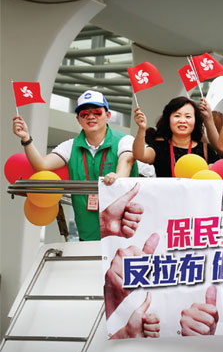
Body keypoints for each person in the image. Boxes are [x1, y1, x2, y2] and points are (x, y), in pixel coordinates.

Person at [12, 89, 138, 241]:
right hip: (86, 233)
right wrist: (26, 138)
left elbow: (127, 160)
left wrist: (118, 176)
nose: (90, 117)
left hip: (123, 233)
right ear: (78, 119)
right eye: (84, 114)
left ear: (108, 115)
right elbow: (42, 166)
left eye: (97, 112)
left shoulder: (124, 140)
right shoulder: (69, 146)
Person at [132, 96, 219, 177]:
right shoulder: (159, 147)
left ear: (195, 121)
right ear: (168, 120)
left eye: (188, 116)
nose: (182, 120)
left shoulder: (206, 149)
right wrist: (141, 128)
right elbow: (139, 155)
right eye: (177, 116)